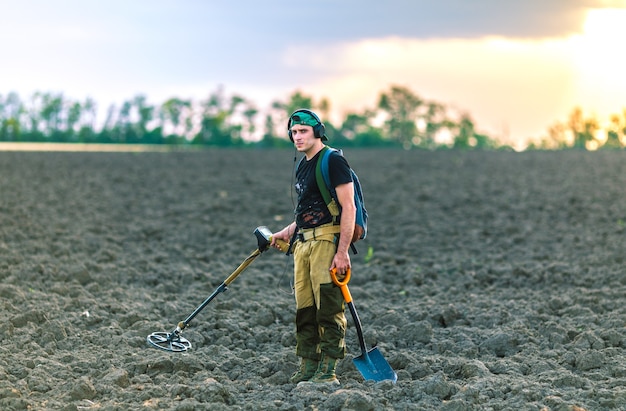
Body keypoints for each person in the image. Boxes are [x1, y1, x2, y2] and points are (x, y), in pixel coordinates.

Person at [271, 109, 356, 385]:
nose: (297, 137)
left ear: (317, 132)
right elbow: (306, 212)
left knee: (328, 307)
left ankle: (328, 370)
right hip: (303, 244)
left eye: (303, 131)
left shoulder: (333, 161)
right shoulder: (303, 164)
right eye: (294, 132)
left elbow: (348, 207)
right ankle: (309, 365)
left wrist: (342, 252)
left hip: (325, 243)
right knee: (305, 308)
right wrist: (285, 232)